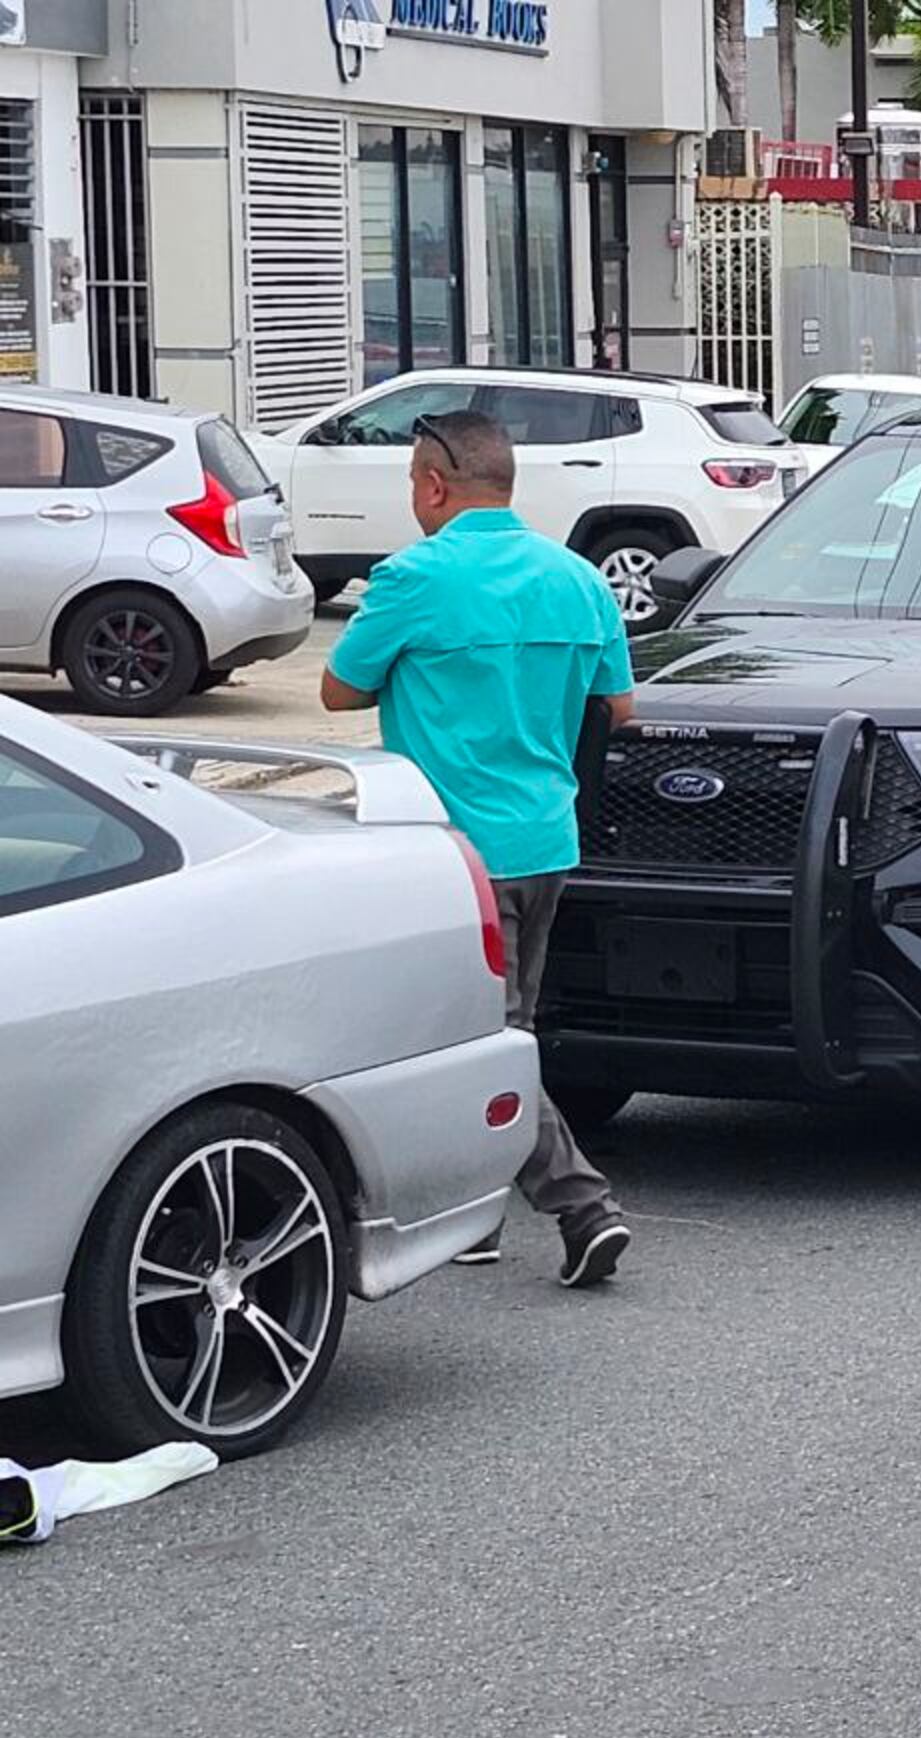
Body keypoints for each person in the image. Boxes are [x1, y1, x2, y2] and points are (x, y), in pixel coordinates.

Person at [322, 411, 637, 1285]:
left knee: (476, 1041)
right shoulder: (579, 580)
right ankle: (478, 1215)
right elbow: (618, 711)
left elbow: (337, 690)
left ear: (431, 485)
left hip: (452, 854)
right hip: (548, 839)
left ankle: (583, 1207)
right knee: (510, 1031)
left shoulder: (414, 578)